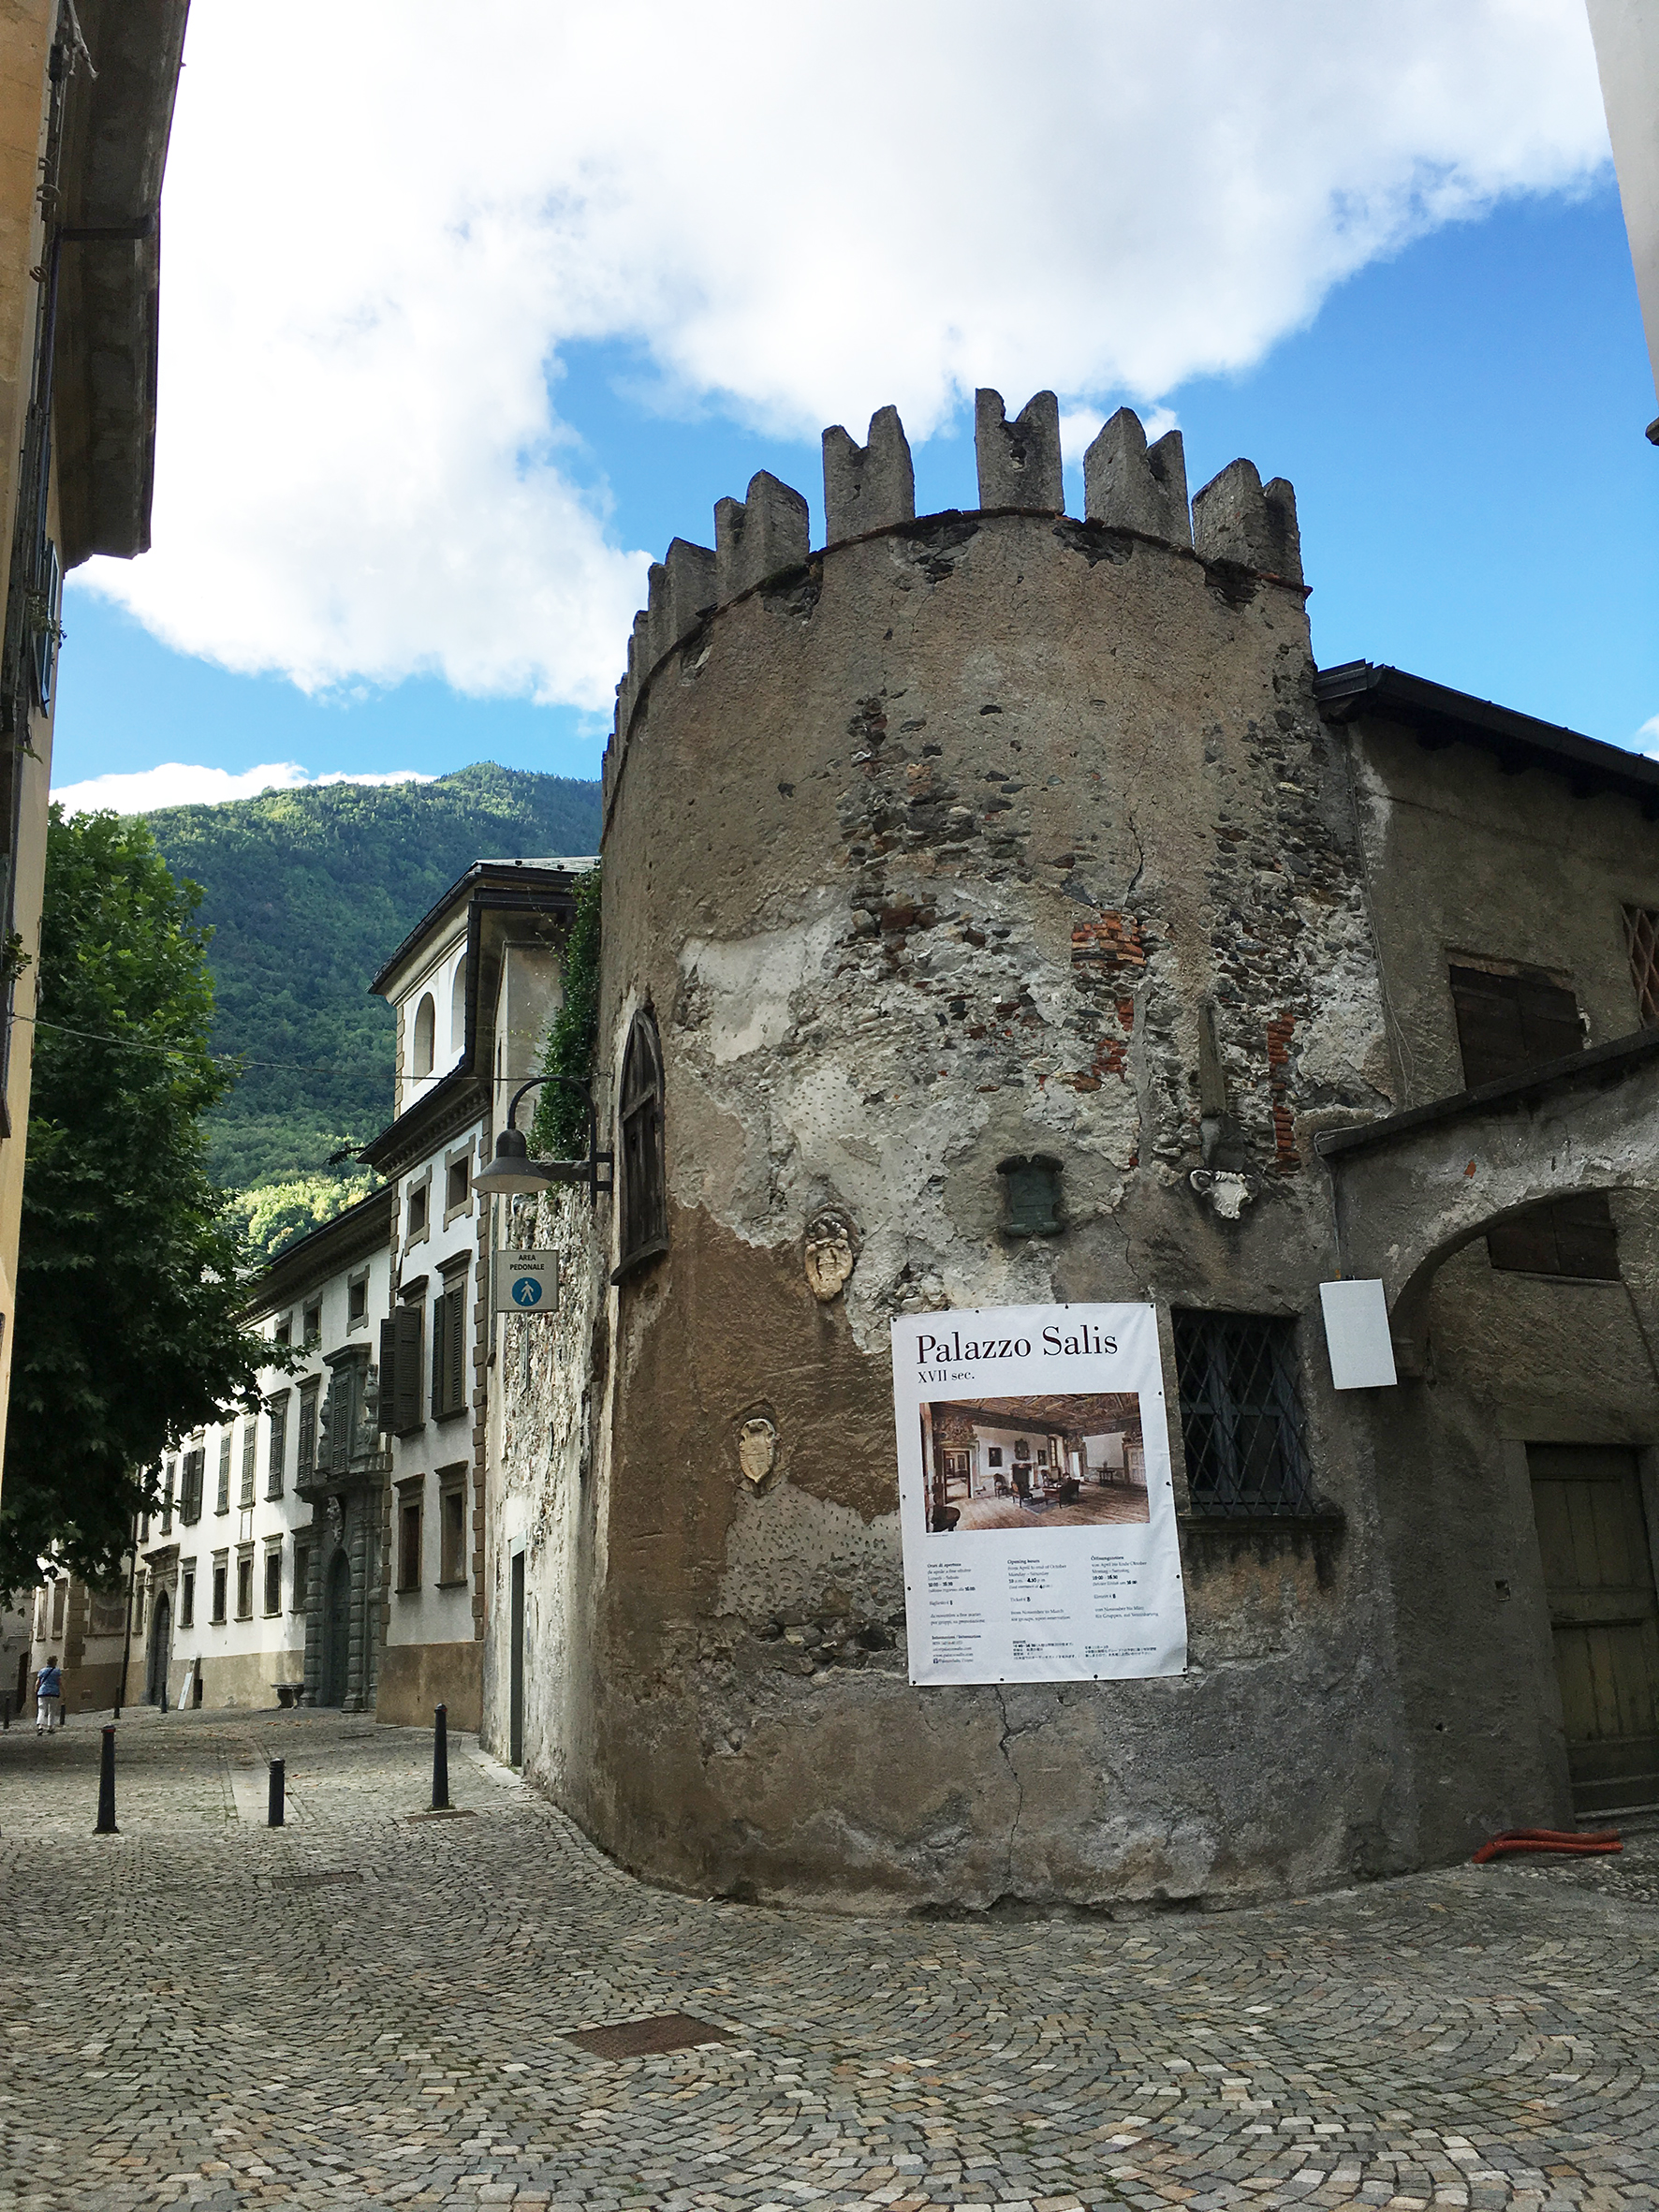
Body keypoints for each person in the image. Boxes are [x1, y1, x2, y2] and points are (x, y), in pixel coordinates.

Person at [35, 1656, 63, 1733]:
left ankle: (40, 1726)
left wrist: (36, 1690)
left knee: (41, 1709)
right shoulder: (57, 1671)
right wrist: (63, 1691)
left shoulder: (42, 1671)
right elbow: (59, 1682)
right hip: (54, 1693)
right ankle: (50, 1727)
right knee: (52, 1710)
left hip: (42, 1692)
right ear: (54, 1662)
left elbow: (38, 1682)